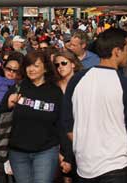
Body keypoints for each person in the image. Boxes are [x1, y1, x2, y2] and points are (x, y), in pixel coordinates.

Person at [62, 28, 127, 183]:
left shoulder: (77, 80)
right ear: (116, 51)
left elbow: (67, 123)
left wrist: (82, 146)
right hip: (117, 165)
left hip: (84, 166)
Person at [0, 50, 63, 183]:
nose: (31, 69)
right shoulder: (18, 88)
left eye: (36, 66)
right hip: (18, 152)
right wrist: (8, 104)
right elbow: (0, 114)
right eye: (28, 65)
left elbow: (61, 122)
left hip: (46, 150)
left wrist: (65, 152)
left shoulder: (55, 91)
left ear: (45, 68)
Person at [53, 51, 81, 183]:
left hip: (81, 142)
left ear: (73, 64)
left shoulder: (83, 85)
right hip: (58, 142)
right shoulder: (54, 87)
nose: (60, 67)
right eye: (57, 64)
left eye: (64, 63)